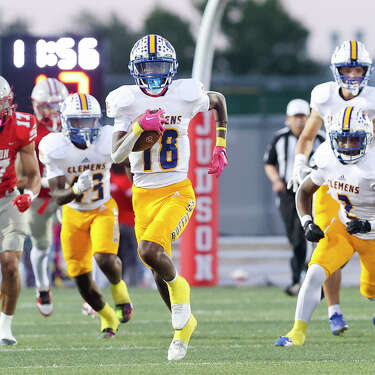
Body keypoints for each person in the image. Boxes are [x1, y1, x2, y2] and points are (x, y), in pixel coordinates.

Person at [107, 34, 228, 360]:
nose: (154, 73)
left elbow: (216, 100)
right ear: (136, 69)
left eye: (160, 66)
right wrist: (136, 128)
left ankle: (181, 296)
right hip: (143, 195)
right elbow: (117, 157)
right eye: (147, 67)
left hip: (177, 190)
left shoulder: (185, 95)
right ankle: (183, 329)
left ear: (171, 68)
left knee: (149, 250)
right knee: (155, 266)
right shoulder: (127, 101)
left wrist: (220, 143)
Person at [287, 40, 375, 335]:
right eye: (346, 68)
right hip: (332, 172)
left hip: (364, 178)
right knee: (326, 243)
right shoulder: (323, 95)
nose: (351, 74)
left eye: (357, 68)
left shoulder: (373, 99)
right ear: (335, 70)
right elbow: (308, 134)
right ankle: (334, 310)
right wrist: (299, 163)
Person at [275, 106, 375, 347]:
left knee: (370, 290)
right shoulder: (328, 156)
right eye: (342, 139)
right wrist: (307, 222)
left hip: (372, 232)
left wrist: (368, 223)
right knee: (314, 273)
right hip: (343, 228)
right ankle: (297, 332)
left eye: (354, 139)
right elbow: (304, 191)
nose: (348, 146)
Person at [39, 92, 133, 338]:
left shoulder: (105, 139)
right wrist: (76, 189)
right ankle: (107, 316)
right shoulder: (55, 147)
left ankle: (119, 292)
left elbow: (126, 161)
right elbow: (57, 196)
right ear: (65, 122)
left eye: (90, 121)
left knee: (104, 258)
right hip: (73, 212)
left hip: (102, 207)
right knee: (80, 278)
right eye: (78, 122)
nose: (85, 127)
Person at [264, 99, 325, 296]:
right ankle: (298, 279)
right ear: (288, 119)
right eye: (296, 117)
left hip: (315, 191)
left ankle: (312, 279)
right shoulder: (280, 138)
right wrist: (276, 181)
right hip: (289, 192)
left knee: (319, 237)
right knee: (296, 237)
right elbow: (269, 163)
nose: (300, 121)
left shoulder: (321, 138)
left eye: (303, 117)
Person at [0, 75, 41, 345]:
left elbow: (33, 174)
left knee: (11, 264)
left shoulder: (21, 126)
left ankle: (4, 327)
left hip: (7, 198)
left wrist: (28, 194)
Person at [26, 78, 68, 316]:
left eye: (56, 105)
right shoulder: (29, 129)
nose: (51, 111)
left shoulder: (74, 121)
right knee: (42, 246)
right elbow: (21, 168)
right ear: (36, 105)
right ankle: (42, 288)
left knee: (83, 238)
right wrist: (39, 182)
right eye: (46, 106)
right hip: (40, 196)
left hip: (68, 193)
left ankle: (89, 292)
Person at [110, 162, 142, 286]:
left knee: (129, 256)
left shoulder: (114, 179)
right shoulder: (127, 179)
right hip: (118, 223)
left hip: (127, 224)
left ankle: (129, 282)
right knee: (120, 256)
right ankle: (121, 282)